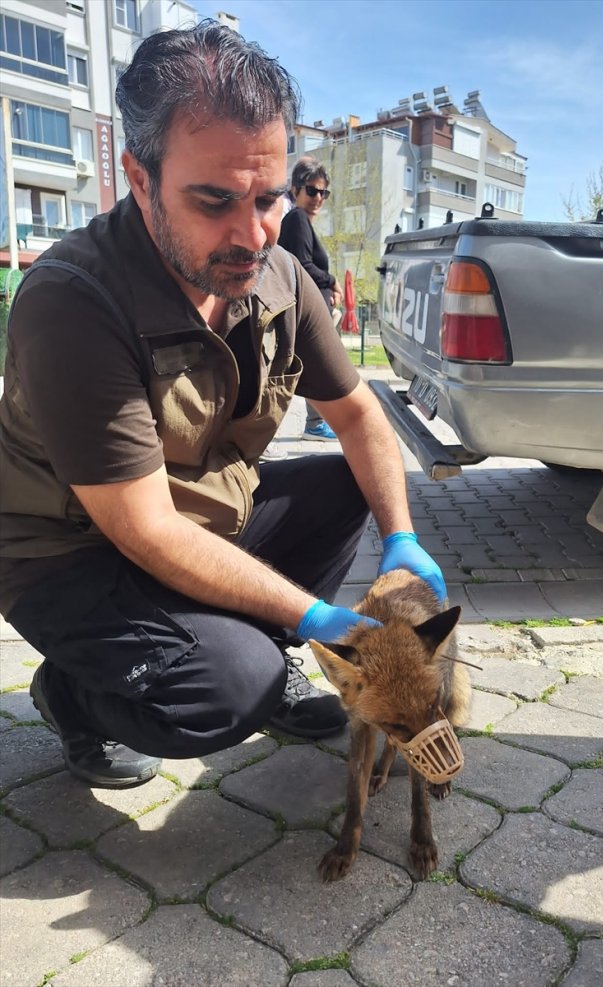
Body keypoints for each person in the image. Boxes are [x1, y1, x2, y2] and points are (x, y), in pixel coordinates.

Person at [0, 21, 446, 789]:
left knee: (347, 485)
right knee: (227, 691)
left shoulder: (275, 272)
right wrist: (313, 616)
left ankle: (245, 645)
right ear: (139, 179)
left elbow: (360, 415)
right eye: (215, 201)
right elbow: (141, 528)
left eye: (270, 198)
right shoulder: (73, 303)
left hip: (195, 515)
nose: (252, 233)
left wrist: (401, 536)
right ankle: (76, 693)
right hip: (68, 551)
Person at [278, 157, 342, 441]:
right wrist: (332, 281)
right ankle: (313, 425)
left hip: (305, 310)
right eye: (311, 190)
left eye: (323, 192)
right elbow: (302, 265)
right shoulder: (298, 219)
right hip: (303, 312)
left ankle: (314, 423)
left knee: (309, 368)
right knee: (312, 368)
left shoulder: (298, 221)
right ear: (295, 190)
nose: (318, 197)